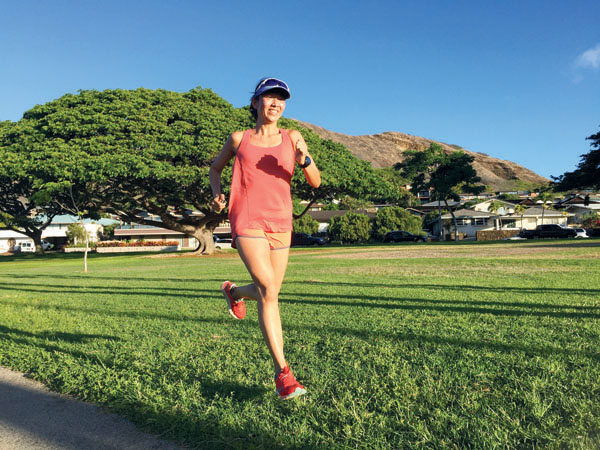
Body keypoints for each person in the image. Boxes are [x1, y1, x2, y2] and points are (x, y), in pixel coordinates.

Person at [209, 77, 321, 400]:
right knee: (269, 290)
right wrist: (218, 196)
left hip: (281, 223)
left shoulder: (293, 138)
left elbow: (315, 181)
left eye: (281, 98)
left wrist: (305, 160)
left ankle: (234, 292)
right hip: (246, 220)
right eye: (269, 97)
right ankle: (283, 374)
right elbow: (215, 170)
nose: (275, 103)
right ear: (255, 102)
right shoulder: (239, 139)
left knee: (269, 291)